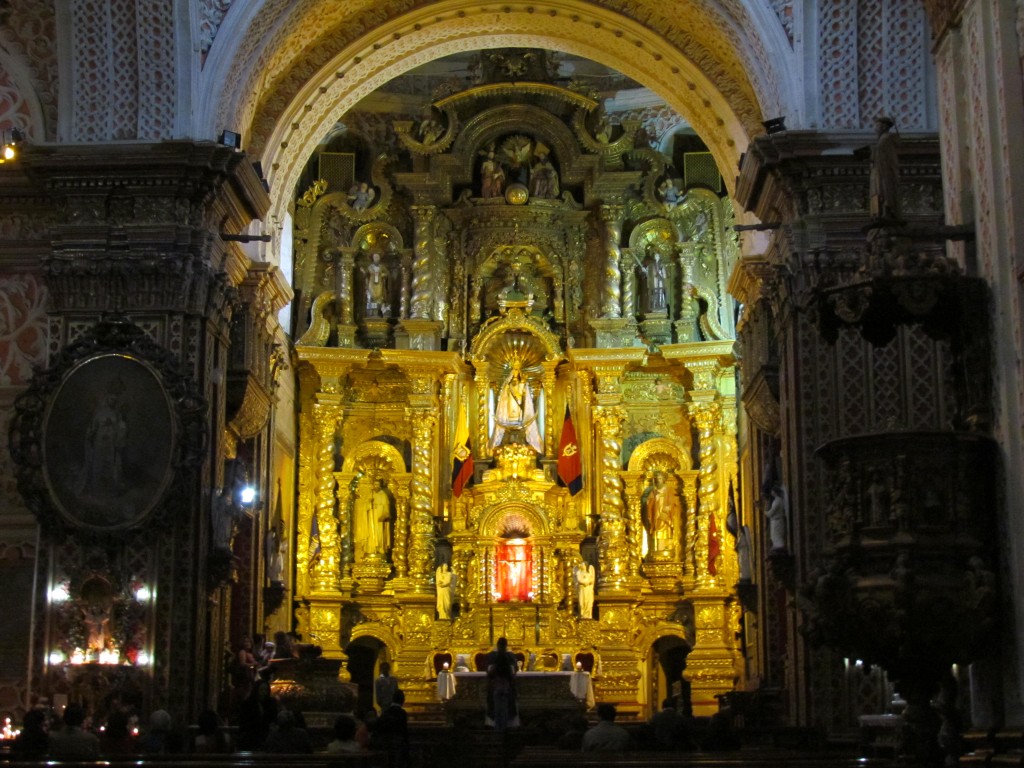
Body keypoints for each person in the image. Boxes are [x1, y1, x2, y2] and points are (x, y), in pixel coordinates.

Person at [490, 364, 542, 454]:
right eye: (514, 370)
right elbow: (504, 397)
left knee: (518, 413)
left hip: (518, 406)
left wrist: (522, 384)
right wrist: (507, 388)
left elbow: (522, 395)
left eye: (517, 370)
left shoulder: (522, 383)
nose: (515, 372)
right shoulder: (508, 384)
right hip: (509, 405)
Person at [870, 115, 900, 222]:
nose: (875, 129)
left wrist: (872, 152)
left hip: (884, 171)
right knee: (878, 190)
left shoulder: (886, 138)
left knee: (884, 189)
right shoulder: (882, 139)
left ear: (883, 127)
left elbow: (884, 154)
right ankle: (880, 210)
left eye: (877, 126)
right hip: (878, 169)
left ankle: (886, 209)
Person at [370, 688, 409, 768]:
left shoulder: (386, 712)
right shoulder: (402, 713)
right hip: (397, 744)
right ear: (403, 700)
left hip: (385, 743)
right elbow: (404, 730)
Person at [485, 637, 518, 730]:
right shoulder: (509, 656)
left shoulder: (492, 656)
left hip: (497, 686)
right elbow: (513, 671)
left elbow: (489, 671)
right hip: (505, 686)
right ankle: (503, 730)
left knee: (497, 710)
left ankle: (498, 730)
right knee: (504, 709)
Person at [645, 471, 680, 553]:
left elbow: (674, 501)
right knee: (657, 530)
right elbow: (649, 503)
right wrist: (653, 499)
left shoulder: (668, 490)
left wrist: (669, 507)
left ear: (664, 480)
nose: (658, 481)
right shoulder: (654, 491)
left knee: (667, 530)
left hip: (666, 515)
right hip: (657, 515)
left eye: (660, 479)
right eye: (657, 479)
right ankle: (658, 548)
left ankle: (667, 547)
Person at [355, 477, 390, 558]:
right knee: (371, 534)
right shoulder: (370, 494)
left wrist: (384, 515)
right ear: (373, 485)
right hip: (371, 517)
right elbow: (365, 507)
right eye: (375, 484)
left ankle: (380, 549)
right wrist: (369, 504)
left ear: (380, 485)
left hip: (380, 517)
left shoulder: (383, 495)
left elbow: (386, 508)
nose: (376, 486)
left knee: (379, 533)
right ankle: (370, 549)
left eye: (378, 484)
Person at [765, 483, 789, 551]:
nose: (771, 492)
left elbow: (771, 513)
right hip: (775, 521)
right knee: (774, 536)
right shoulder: (776, 500)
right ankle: (777, 546)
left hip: (777, 521)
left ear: (775, 492)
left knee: (778, 536)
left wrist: (763, 511)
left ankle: (780, 546)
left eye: (772, 491)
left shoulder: (778, 501)